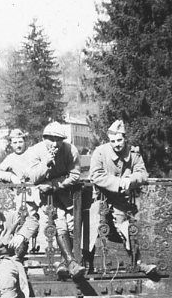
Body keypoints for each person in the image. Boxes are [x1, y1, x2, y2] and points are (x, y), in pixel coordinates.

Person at [87, 120, 156, 277]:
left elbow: (143, 173)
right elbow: (95, 175)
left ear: (125, 138)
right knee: (91, 227)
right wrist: (118, 182)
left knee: (126, 226)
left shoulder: (133, 153)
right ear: (108, 140)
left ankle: (138, 262)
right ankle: (87, 263)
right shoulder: (99, 152)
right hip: (100, 198)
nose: (116, 144)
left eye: (119, 140)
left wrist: (131, 180)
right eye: (113, 141)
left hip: (121, 200)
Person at [22, 121, 83, 281]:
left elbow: (75, 175)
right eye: (51, 139)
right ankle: (70, 262)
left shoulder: (71, 150)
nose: (55, 143)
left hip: (65, 194)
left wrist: (54, 185)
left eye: (58, 139)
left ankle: (66, 263)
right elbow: (34, 178)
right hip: (44, 199)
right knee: (58, 223)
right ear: (44, 138)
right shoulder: (35, 151)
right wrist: (46, 163)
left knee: (72, 226)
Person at [0, 128, 45, 254]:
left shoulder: (33, 153)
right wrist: (11, 177)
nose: (18, 145)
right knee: (24, 220)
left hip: (40, 191)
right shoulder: (10, 158)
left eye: (20, 142)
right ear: (11, 144)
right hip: (23, 195)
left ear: (25, 142)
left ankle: (44, 251)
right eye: (15, 143)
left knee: (46, 221)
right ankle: (24, 251)